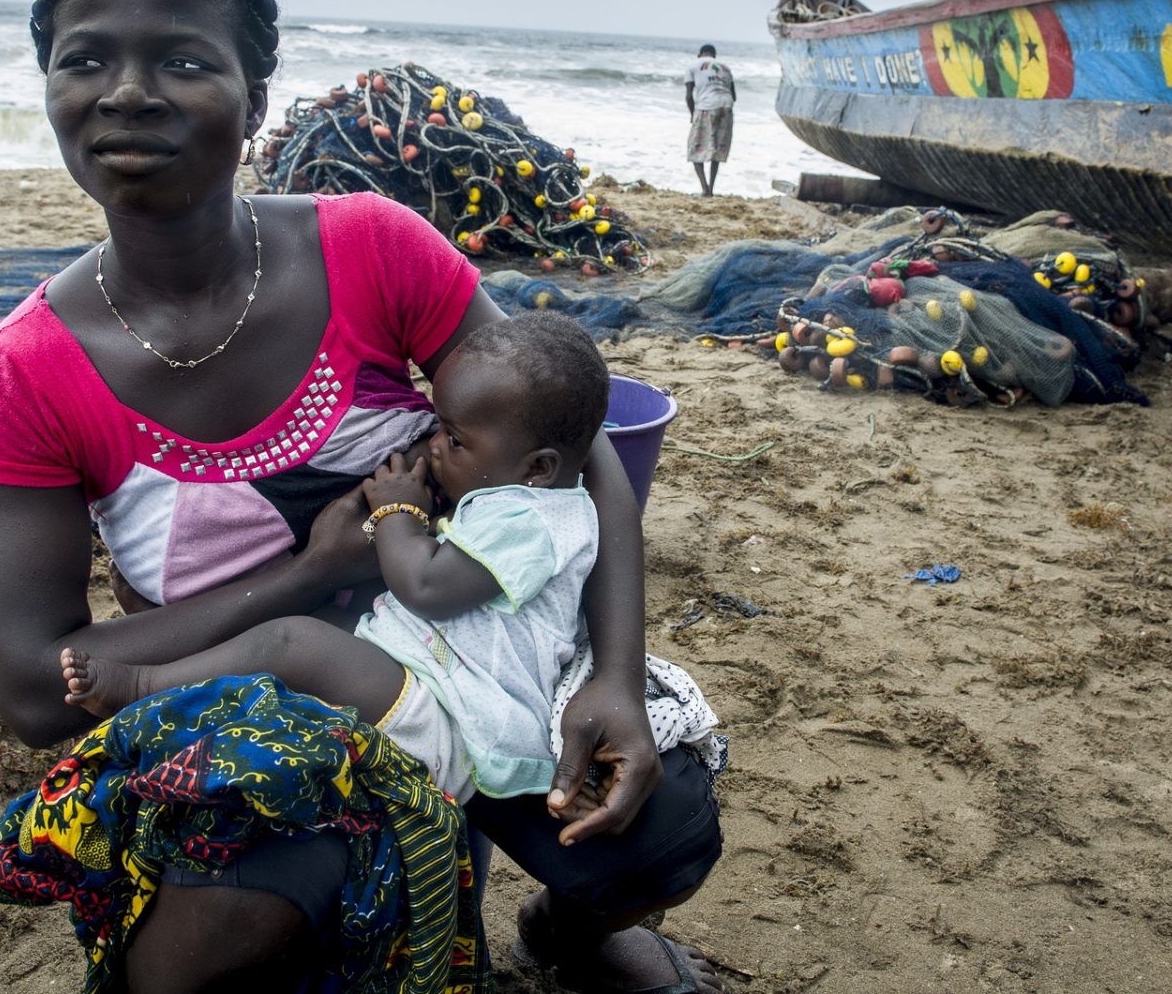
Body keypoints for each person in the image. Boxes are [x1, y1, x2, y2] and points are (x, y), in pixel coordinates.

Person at [0, 0, 723, 994]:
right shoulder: (26, 373)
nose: (126, 92)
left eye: (182, 60)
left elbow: (578, 448)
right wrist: (311, 574)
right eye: (85, 60)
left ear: (255, 101)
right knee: (197, 962)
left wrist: (611, 677)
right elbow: (39, 694)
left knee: (663, 828)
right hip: (251, 718)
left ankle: (570, 932)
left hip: (457, 675)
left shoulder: (370, 248)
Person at [59, 312, 704, 820]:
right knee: (289, 652)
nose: (434, 445)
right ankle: (170, 679)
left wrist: (398, 513)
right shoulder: (519, 497)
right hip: (432, 683)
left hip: (452, 718)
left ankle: (143, 689)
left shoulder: (535, 523)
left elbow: (426, 587)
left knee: (293, 643)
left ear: (538, 467)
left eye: (453, 439)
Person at [683, 44, 736, 196]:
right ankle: (711, 188)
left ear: (699, 54)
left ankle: (705, 189)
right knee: (717, 150)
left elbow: (688, 95)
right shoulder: (725, 68)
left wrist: (693, 115)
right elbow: (734, 96)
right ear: (714, 56)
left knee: (695, 148)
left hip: (706, 106)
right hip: (726, 107)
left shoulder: (693, 66)